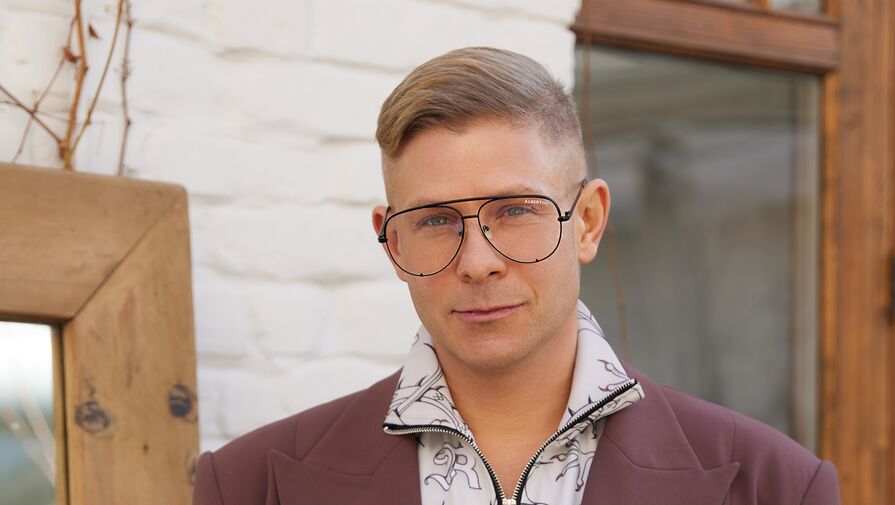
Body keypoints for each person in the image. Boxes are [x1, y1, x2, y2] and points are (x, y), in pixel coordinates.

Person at [192, 46, 840, 505]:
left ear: (588, 222)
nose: (478, 262)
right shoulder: (249, 486)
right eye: (436, 220)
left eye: (515, 211)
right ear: (391, 242)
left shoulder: (776, 487)